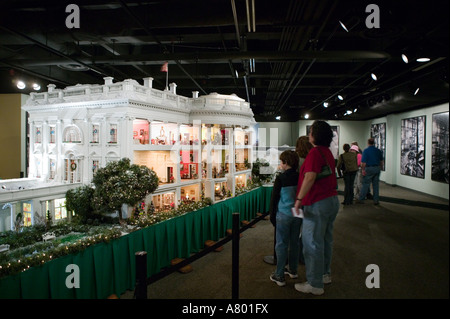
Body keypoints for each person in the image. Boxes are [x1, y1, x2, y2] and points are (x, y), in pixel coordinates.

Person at [293, 120, 339, 296]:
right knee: (325, 240)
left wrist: (299, 199)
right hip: (331, 201)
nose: (309, 134)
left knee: (311, 243)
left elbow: (310, 178)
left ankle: (314, 283)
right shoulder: (326, 152)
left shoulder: (314, 153)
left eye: (311, 131)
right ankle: (324, 274)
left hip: (317, 202)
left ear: (315, 135)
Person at [269, 150, 300, 287]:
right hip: (298, 213)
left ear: (286, 163)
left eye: (281, 161)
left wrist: (272, 216)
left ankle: (279, 275)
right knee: (295, 242)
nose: (280, 164)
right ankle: (293, 270)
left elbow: (274, 199)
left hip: (284, 214)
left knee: (281, 244)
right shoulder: (300, 176)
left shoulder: (280, 178)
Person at [356, 138, 384, 205]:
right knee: (376, 185)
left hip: (369, 169)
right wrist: (380, 168)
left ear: (368, 143)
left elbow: (363, 163)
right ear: (374, 143)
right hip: (377, 168)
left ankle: (361, 199)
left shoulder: (366, 151)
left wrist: (363, 170)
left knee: (365, 184)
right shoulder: (378, 151)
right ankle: (376, 200)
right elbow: (381, 162)